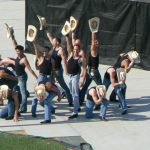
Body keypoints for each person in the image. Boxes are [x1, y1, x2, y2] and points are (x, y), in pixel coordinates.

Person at [2, 29, 38, 113]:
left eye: (19, 51)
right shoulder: (18, 56)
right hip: (16, 76)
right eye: (16, 51)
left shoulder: (24, 59)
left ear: (22, 51)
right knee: (15, 89)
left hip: (22, 77)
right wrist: (12, 36)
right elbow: (15, 44)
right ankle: (16, 105)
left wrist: (36, 77)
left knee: (23, 93)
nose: (17, 52)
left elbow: (30, 69)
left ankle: (23, 108)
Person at [46, 32, 73, 106]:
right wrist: (46, 29)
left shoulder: (61, 50)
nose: (52, 42)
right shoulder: (55, 47)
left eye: (54, 41)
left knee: (63, 85)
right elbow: (50, 37)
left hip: (58, 71)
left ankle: (70, 100)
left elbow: (64, 61)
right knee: (49, 83)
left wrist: (66, 71)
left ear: (57, 42)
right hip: (52, 70)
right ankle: (58, 93)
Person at [65, 34, 86, 119]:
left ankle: (75, 112)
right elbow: (69, 45)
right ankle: (77, 106)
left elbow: (84, 69)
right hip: (69, 77)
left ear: (79, 50)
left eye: (77, 50)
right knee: (71, 92)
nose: (75, 51)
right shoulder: (70, 54)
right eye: (74, 49)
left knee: (75, 94)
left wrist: (82, 79)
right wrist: (67, 36)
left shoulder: (80, 59)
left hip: (75, 77)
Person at [79, 32, 102, 106]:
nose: (97, 43)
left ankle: (80, 100)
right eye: (96, 42)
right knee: (100, 86)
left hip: (90, 70)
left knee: (85, 86)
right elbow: (93, 42)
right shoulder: (93, 50)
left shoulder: (94, 50)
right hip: (94, 71)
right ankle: (98, 103)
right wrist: (93, 32)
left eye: (97, 42)